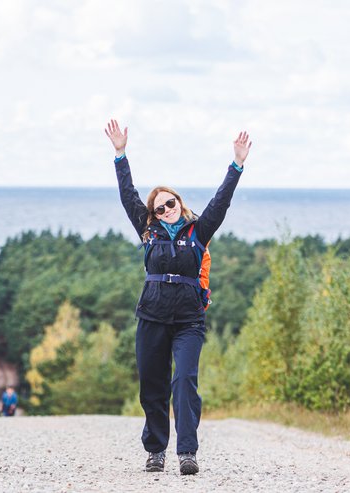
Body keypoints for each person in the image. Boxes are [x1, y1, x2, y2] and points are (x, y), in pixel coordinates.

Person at [104, 120, 251, 476]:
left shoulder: (198, 229)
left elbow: (221, 201)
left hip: (188, 319)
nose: (166, 209)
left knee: (184, 381)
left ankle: (187, 451)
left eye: (170, 203)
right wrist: (120, 154)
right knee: (152, 386)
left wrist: (237, 164)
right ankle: (155, 451)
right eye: (159, 208)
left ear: (179, 203)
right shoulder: (148, 229)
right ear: (152, 214)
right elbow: (128, 195)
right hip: (152, 315)